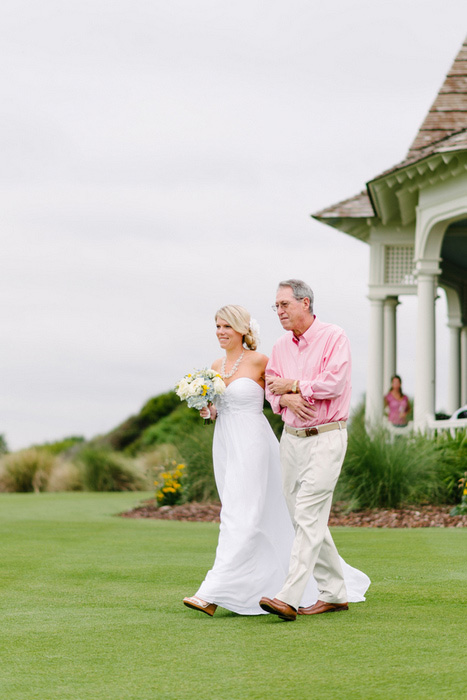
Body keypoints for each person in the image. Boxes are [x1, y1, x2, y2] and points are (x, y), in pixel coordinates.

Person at [183, 304, 369, 617]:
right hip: (226, 443)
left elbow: (273, 394)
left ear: (242, 328)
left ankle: (211, 592)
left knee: (240, 513)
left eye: (226, 326)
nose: (221, 332)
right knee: (249, 510)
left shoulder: (260, 360)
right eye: (217, 326)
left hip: (254, 441)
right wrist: (209, 411)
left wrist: (289, 395)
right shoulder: (215, 365)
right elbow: (222, 407)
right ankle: (269, 583)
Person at [259, 279, 365, 622]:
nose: (279, 312)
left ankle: (287, 597)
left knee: (307, 515)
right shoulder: (279, 346)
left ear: (305, 303)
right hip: (291, 438)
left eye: (284, 305)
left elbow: (333, 384)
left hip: (326, 437)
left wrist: (294, 385)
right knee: (303, 518)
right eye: (275, 306)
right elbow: (270, 387)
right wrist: (284, 397)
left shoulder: (335, 337)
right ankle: (335, 593)